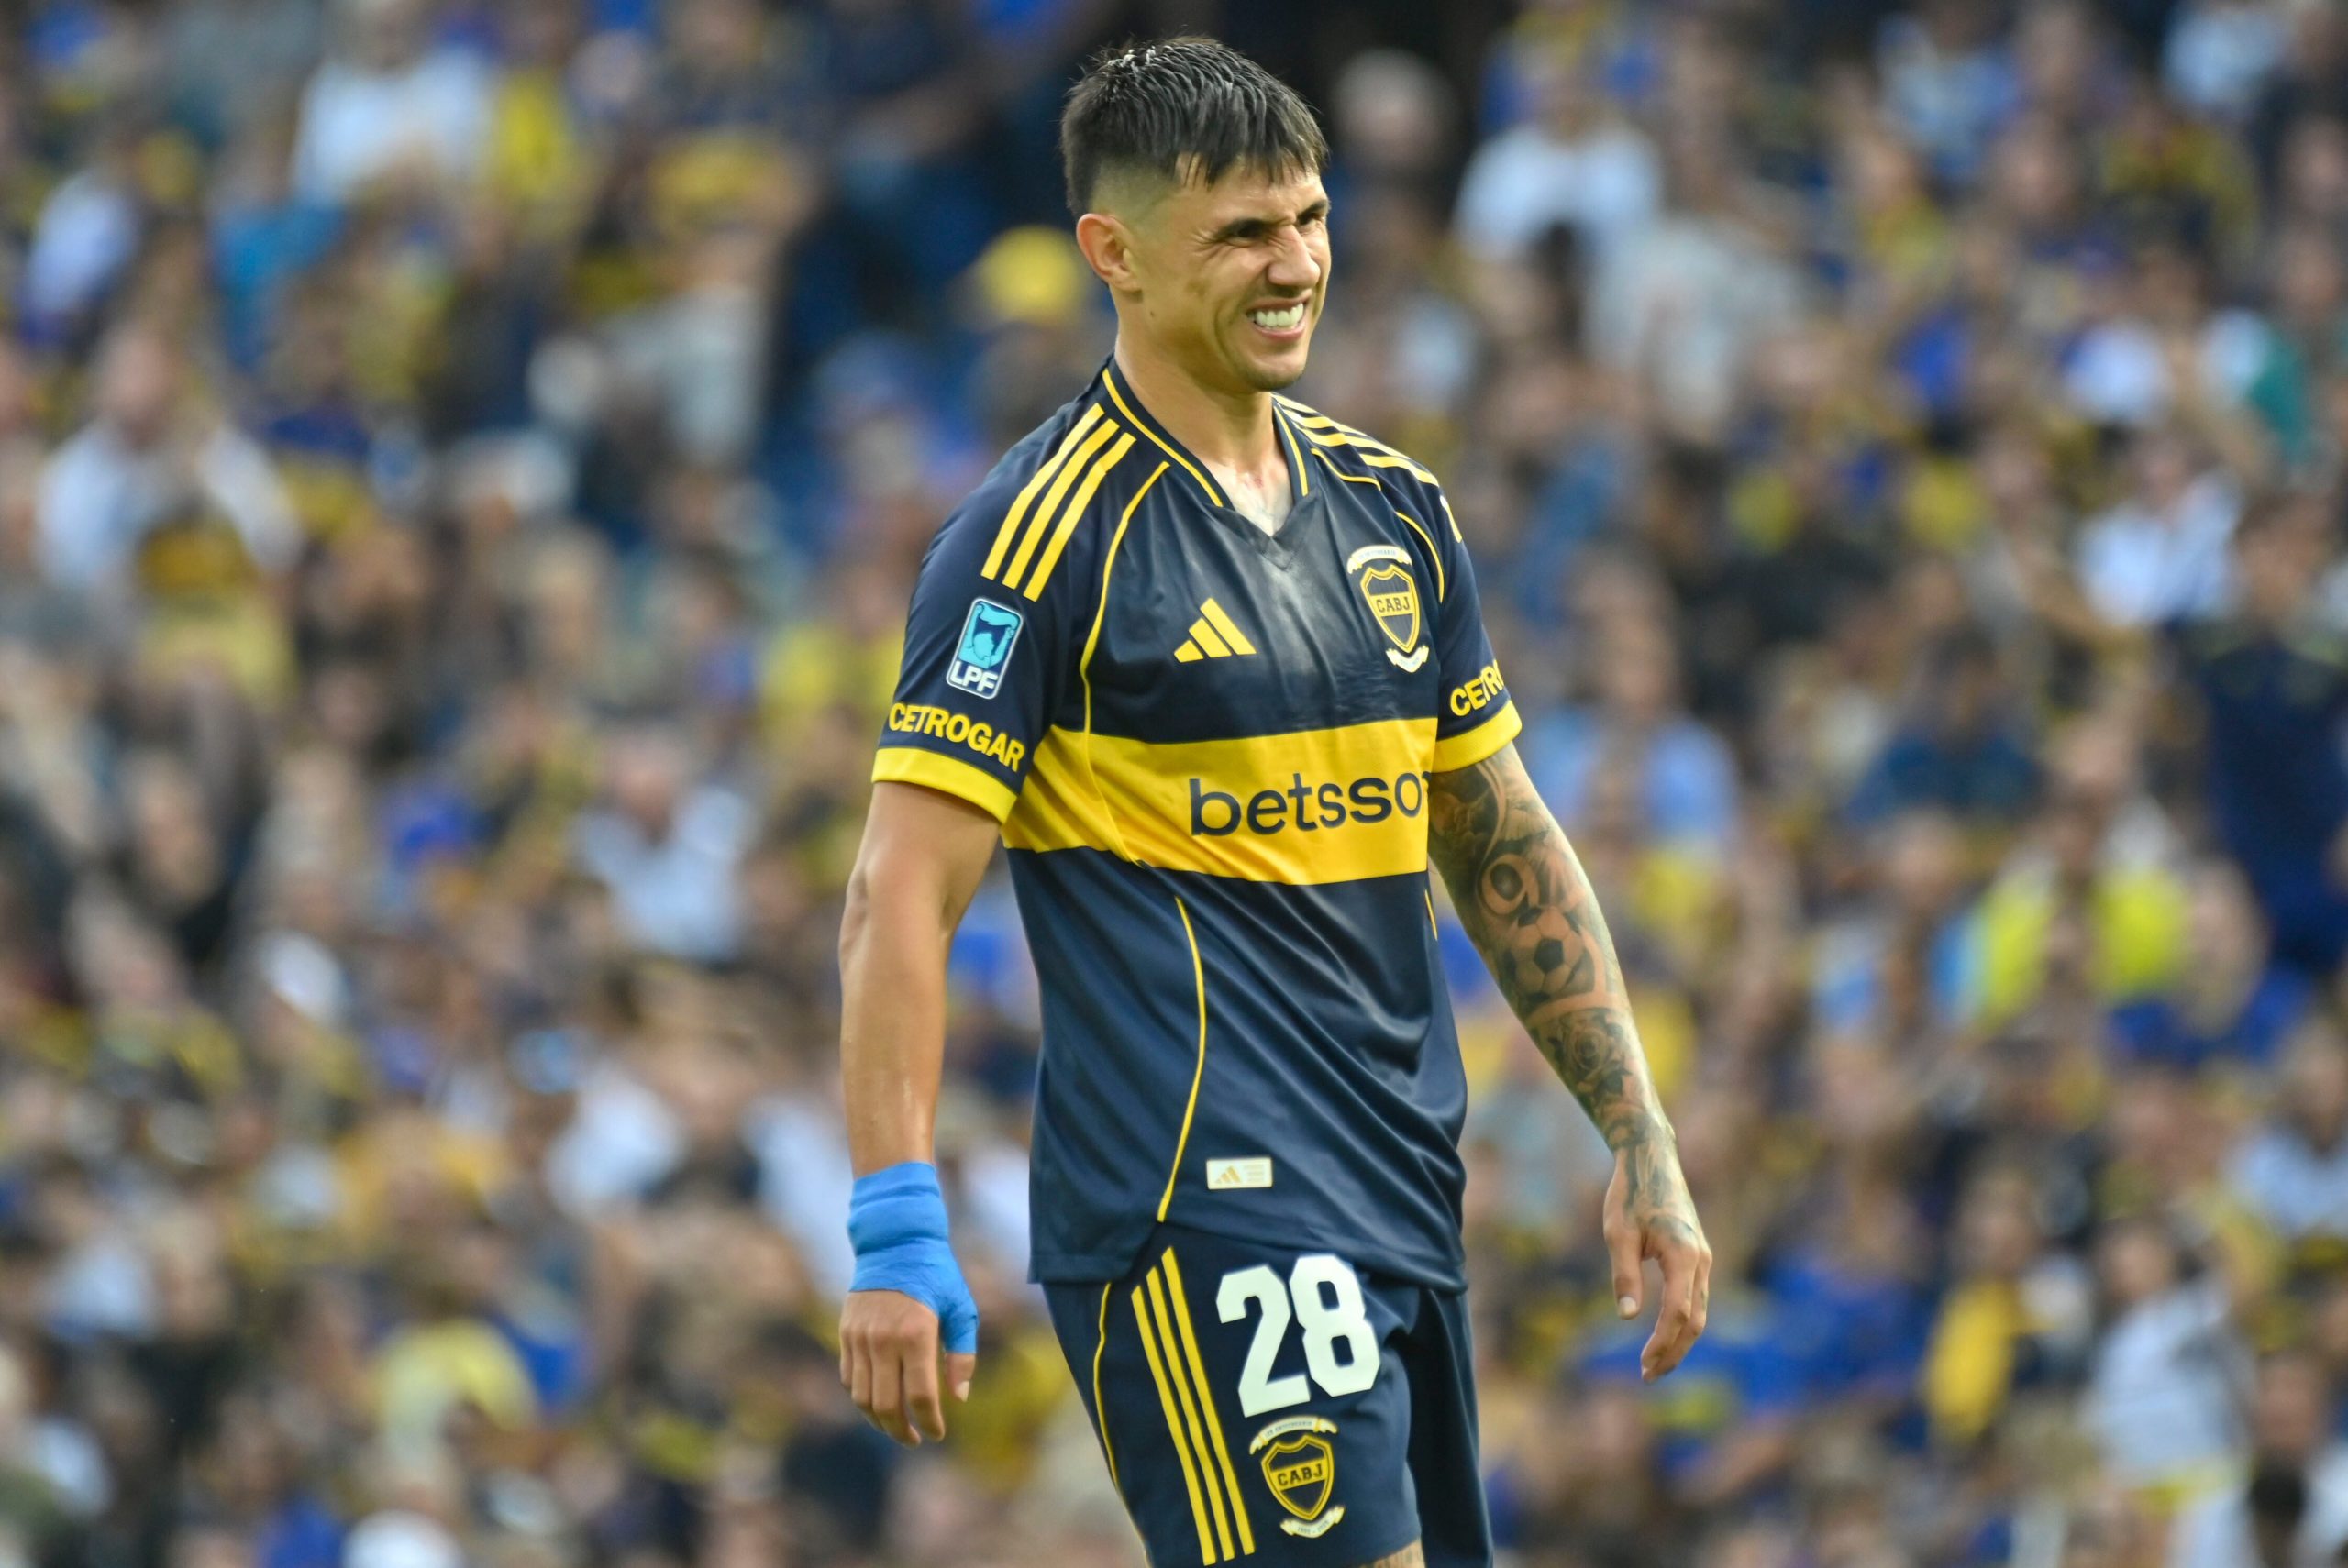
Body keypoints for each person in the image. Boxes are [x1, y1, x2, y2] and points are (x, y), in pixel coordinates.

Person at [835, 37, 1710, 1568]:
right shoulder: (1034, 540)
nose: (1296, 264)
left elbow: (1498, 835)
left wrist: (1638, 1132)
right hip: (1200, 1202)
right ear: (1113, 253)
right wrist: (895, 1223)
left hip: (1401, 1196)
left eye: (1309, 219)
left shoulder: (1394, 510)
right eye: (1242, 232)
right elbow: (897, 890)